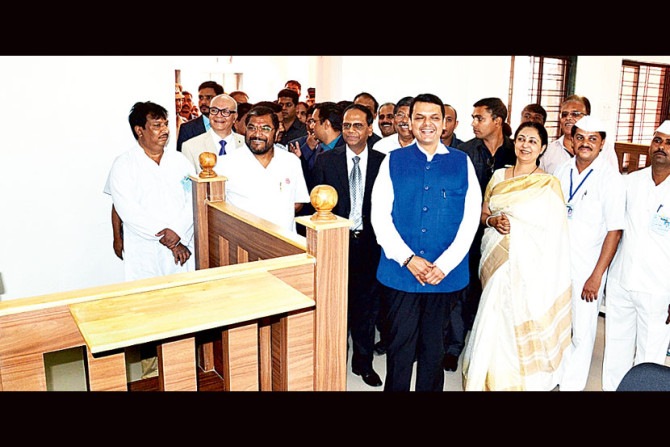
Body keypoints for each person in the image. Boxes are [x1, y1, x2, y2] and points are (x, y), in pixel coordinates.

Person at [371, 93, 481, 392]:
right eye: (419, 117)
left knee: (434, 348)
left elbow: (470, 220)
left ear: (445, 123)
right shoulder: (393, 160)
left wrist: (444, 265)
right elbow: (380, 217)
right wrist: (408, 259)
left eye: (434, 117)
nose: (427, 123)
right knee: (400, 346)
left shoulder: (462, 162)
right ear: (409, 122)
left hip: (444, 275)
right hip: (400, 272)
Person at [462, 121, 572, 391]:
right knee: (493, 312)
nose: (525, 145)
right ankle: (487, 376)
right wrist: (493, 221)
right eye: (521, 139)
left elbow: (555, 232)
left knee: (520, 312)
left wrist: (521, 231)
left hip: (531, 264)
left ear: (542, 148)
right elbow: (483, 213)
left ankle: (524, 380)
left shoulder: (548, 184)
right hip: (497, 258)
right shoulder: (499, 176)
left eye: (533, 141)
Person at [312, 103, 386, 387]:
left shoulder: (382, 162)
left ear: (370, 129)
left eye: (358, 125)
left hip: (370, 244)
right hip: (335, 244)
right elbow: (315, 205)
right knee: (335, 307)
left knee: (366, 309)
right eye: (346, 125)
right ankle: (334, 362)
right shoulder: (325, 160)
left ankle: (363, 364)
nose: (351, 130)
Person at [553, 116, 625, 391]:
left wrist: (596, 276)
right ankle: (555, 377)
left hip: (588, 267)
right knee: (558, 325)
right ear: (572, 141)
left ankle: (571, 386)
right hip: (558, 261)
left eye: (592, 139)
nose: (585, 143)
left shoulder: (611, 179)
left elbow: (614, 232)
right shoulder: (562, 170)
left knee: (582, 331)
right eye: (580, 137)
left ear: (602, 143)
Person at [601, 120, 670, 391]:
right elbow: (613, 228)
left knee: (649, 356)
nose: (661, 147)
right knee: (615, 347)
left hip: (659, 289)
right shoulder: (630, 182)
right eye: (657, 140)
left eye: (668, 143)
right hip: (622, 280)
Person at [455, 97, 516, 371]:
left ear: (497, 121)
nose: (473, 123)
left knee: (495, 291)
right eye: (473, 118)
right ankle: (454, 346)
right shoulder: (464, 152)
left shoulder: (516, 152)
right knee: (463, 289)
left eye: (479, 118)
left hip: (502, 233)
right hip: (468, 229)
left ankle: (491, 350)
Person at [105, 100, 195, 281]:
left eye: (165, 124)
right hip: (144, 248)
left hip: (183, 241)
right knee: (147, 295)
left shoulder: (180, 161)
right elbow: (128, 210)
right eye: (157, 125)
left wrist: (178, 232)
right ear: (140, 130)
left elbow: (193, 199)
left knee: (184, 293)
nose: (165, 130)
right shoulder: (123, 164)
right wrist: (170, 240)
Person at [218, 105, 310, 234]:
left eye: (265, 128)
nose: (257, 134)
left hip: (284, 240)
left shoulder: (291, 161)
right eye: (252, 128)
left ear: (276, 132)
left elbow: (298, 202)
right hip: (242, 240)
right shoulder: (225, 164)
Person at [539, 95, 619, 174]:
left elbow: (613, 178)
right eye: (564, 114)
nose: (568, 118)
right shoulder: (549, 151)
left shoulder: (604, 149)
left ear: (587, 117)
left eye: (575, 114)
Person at [182, 94, 245, 174]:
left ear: (235, 117)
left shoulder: (245, 144)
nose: (218, 115)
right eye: (214, 110)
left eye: (225, 112)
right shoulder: (190, 146)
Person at [176, 80, 224, 152]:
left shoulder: (229, 125)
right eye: (201, 98)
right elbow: (181, 156)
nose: (203, 102)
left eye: (208, 97)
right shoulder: (187, 129)